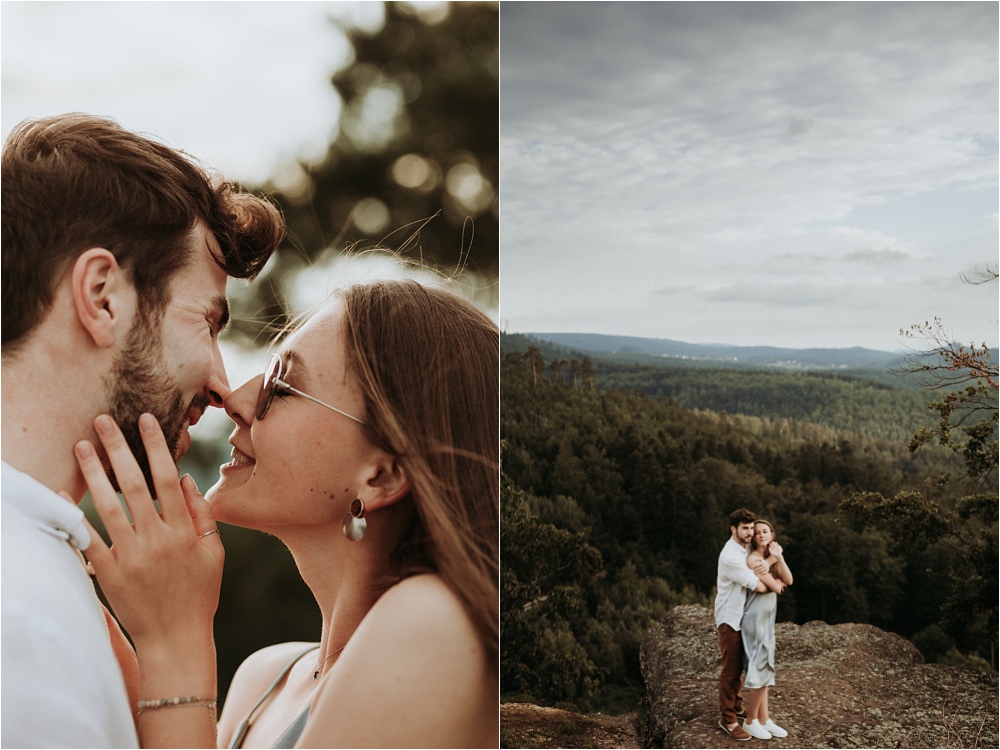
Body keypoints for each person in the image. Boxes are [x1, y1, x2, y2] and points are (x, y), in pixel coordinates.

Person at [74, 272, 500, 747]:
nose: (235, 400)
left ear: (383, 475)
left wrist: (175, 639)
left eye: (281, 386)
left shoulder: (432, 625)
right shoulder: (266, 678)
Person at [1, 113, 282, 748]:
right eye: (208, 323)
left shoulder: (49, 566)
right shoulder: (17, 623)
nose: (220, 383)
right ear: (102, 296)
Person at [715, 507, 770, 742]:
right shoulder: (730, 556)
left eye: (751, 528)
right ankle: (727, 719)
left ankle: (737, 707)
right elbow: (758, 585)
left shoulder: (744, 547)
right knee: (730, 671)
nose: (749, 533)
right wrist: (771, 580)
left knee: (740, 667)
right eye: (745, 528)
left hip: (743, 616)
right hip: (730, 618)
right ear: (733, 529)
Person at [740, 520, 793, 740]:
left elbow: (788, 580)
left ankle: (764, 719)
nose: (760, 534)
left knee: (766, 666)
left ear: (772, 534)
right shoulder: (753, 558)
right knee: (760, 668)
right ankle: (750, 720)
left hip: (767, 619)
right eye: (757, 532)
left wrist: (778, 557)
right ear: (752, 537)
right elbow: (775, 586)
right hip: (754, 618)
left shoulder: (769, 558)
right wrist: (774, 556)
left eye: (765, 531)